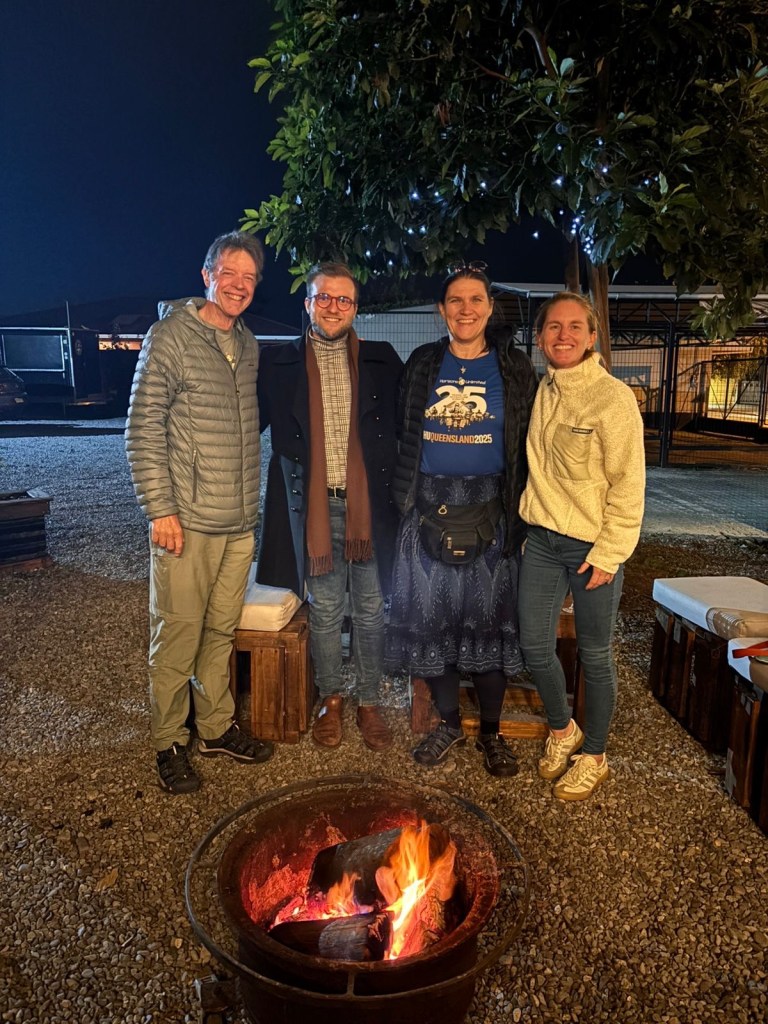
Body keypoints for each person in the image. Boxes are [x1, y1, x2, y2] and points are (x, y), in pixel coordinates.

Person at [125, 231, 274, 795]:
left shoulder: (248, 343)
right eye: (229, 273)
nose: (238, 285)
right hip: (185, 522)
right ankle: (168, 741)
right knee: (176, 635)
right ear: (207, 275)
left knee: (218, 633)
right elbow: (142, 429)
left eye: (249, 277)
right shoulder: (169, 337)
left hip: (238, 522)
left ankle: (213, 727)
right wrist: (160, 508)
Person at [385, 261, 538, 776]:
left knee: (489, 629)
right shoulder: (423, 363)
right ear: (441, 310)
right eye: (456, 300)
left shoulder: (514, 367)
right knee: (436, 629)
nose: (466, 309)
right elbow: (405, 430)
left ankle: (491, 733)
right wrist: (406, 498)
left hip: (491, 513)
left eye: (476, 299)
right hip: (428, 509)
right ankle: (450, 724)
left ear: (490, 308)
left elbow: (528, 441)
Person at [256, 262, 402, 751]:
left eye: (343, 299)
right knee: (324, 609)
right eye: (323, 297)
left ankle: (369, 700)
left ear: (355, 308)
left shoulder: (382, 360)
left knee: (371, 609)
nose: (333, 307)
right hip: (313, 509)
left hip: (369, 508)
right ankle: (331, 698)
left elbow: (407, 427)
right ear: (308, 304)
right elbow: (244, 421)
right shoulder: (279, 363)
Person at [518, 291, 645, 801]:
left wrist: (611, 552)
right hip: (542, 540)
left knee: (594, 654)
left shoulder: (612, 398)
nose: (563, 335)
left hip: (592, 546)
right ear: (540, 337)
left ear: (592, 337)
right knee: (534, 645)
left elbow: (629, 484)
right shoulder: (544, 390)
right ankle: (562, 728)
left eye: (575, 327)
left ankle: (594, 754)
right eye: (554, 326)